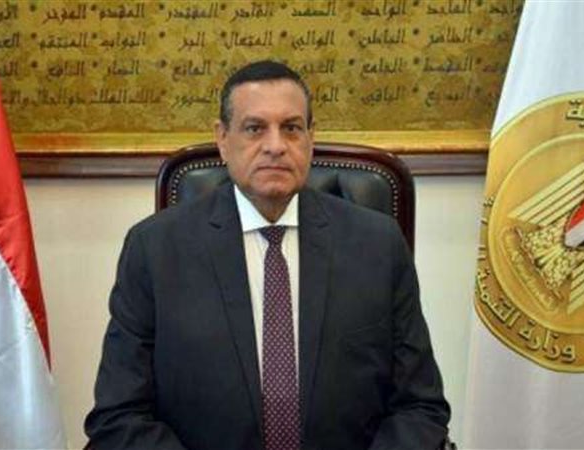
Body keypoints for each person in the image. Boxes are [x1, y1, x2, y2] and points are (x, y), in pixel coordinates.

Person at [85, 60, 450, 450]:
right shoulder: (155, 250)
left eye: (291, 128)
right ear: (223, 139)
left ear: (310, 138)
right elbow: (119, 415)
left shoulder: (377, 245)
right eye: (255, 128)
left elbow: (420, 407)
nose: (276, 146)